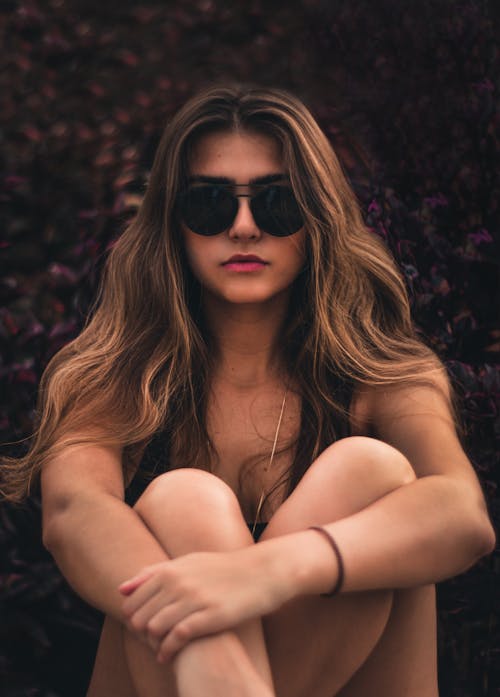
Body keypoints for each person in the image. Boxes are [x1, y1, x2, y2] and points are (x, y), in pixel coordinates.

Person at [1, 84, 495, 697]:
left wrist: (263, 575)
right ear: (173, 224)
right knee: (185, 500)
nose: (242, 227)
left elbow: (462, 515)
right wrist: (210, 647)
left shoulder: (386, 375)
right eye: (209, 204)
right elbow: (75, 513)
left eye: (277, 202)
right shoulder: (113, 375)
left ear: (317, 218)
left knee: (368, 472)